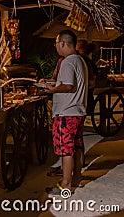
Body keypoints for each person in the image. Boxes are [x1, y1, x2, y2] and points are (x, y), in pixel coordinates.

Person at [44, 30, 88, 193]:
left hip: (66, 112)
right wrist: (53, 83)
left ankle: (65, 184)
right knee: (76, 146)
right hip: (77, 111)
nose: (56, 47)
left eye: (56, 43)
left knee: (65, 149)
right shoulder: (80, 60)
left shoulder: (68, 61)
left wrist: (52, 90)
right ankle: (76, 178)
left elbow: (68, 85)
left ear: (62, 43)